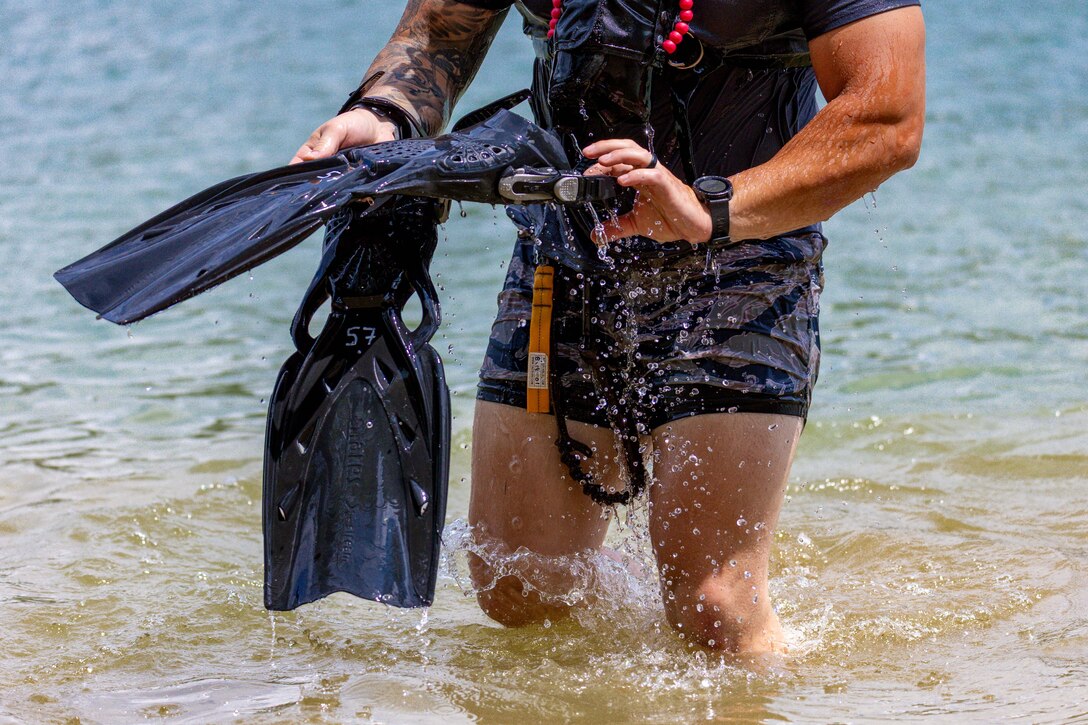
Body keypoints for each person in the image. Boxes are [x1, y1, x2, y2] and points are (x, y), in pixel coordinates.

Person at [291, 0, 926, 653]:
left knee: (715, 610)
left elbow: (888, 117)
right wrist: (386, 116)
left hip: (739, 263)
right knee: (519, 587)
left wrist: (711, 206)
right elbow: (436, 35)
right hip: (565, 259)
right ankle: (634, 626)